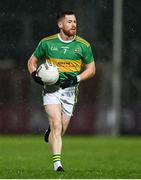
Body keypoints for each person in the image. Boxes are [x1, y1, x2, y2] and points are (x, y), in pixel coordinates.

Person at [27, 10, 96, 172]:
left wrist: (76, 79)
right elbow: (32, 61)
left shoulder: (83, 46)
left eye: (75, 22)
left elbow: (91, 69)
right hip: (51, 89)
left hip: (71, 91)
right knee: (57, 125)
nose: (74, 25)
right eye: (70, 22)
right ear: (60, 24)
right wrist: (34, 75)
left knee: (61, 129)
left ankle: (50, 131)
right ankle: (57, 164)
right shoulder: (47, 43)